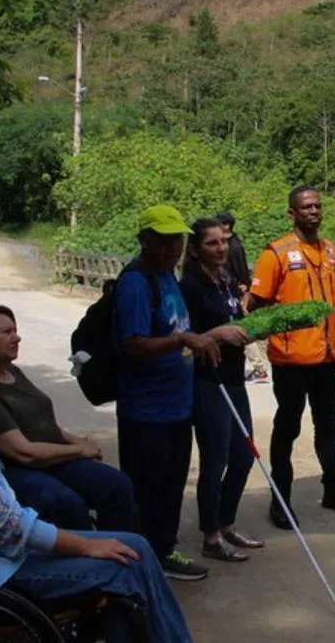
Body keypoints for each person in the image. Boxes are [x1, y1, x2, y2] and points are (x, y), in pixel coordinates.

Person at [0, 333, 193, 643]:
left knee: (136, 545)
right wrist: (87, 546)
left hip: (5, 554)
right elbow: (15, 531)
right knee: (123, 566)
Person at [249, 185, 335, 529]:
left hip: (328, 357)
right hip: (291, 361)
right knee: (288, 427)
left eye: (317, 206)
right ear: (292, 213)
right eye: (306, 207)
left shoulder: (330, 250)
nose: (313, 211)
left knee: (327, 426)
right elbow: (255, 304)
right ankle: (280, 500)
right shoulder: (277, 253)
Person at [115, 204, 220, 581]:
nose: (173, 248)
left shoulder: (167, 277)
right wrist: (180, 340)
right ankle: (141, 564)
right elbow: (134, 344)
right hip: (146, 411)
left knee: (172, 485)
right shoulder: (136, 284)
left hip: (177, 406)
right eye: (164, 241)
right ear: (145, 241)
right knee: (147, 491)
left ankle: (164, 552)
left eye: (177, 240)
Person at [0, 305, 134, 533]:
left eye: (16, 330)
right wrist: (79, 451)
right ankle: (87, 560)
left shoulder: (14, 372)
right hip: (20, 469)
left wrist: (77, 441)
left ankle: (120, 554)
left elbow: (43, 422)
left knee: (117, 486)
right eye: (6, 332)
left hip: (51, 459)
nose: (17, 337)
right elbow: (25, 453)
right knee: (68, 505)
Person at [179, 218, 264, 562]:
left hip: (234, 378)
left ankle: (227, 523)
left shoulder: (227, 282)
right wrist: (217, 335)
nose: (221, 248)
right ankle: (210, 536)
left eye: (224, 241)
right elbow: (184, 342)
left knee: (244, 456)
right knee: (215, 461)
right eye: (212, 243)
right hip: (206, 382)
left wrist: (247, 330)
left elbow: (235, 323)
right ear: (197, 250)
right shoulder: (190, 287)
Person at [217, 210, 269, 383]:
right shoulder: (228, 243)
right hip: (229, 290)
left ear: (226, 225)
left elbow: (241, 269)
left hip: (236, 292)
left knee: (241, 328)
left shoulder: (234, 245)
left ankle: (259, 368)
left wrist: (245, 289)